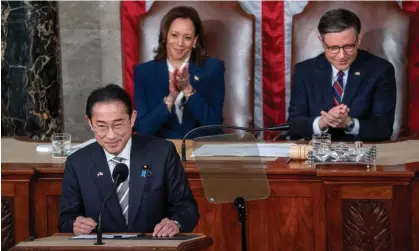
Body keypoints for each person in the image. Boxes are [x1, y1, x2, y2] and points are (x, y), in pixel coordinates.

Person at [58, 84, 199, 236]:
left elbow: (187, 208)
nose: (111, 135)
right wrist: (76, 225)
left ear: (132, 118)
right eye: (101, 126)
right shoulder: (78, 163)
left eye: (118, 124)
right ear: (90, 123)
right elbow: (65, 220)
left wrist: (176, 223)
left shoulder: (162, 153)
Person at [287, 8, 396, 141]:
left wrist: (349, 123)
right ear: (321, 42)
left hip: (362, 153)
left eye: (348, 46)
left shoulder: (381, 70)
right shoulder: (304, 71)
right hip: (317, 153)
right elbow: (294, 124)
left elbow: (384, 128)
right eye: (333, 48)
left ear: (359, 39)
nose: (341, 56)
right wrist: (321, 123)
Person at [134, 6, 225, 139]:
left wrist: (188, 91)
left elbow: (214, 125)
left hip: (201, 147)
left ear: (194, 41)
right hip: (161, 150)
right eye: (174, 35)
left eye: (187, 37)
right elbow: (142, 129)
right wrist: (170, 99)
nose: (180, 43)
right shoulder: (143, 73)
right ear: (165, 35)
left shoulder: (213, 69)